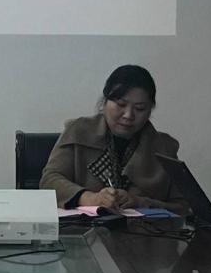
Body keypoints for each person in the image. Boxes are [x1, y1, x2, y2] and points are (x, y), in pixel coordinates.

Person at [40, 65, 187, 213]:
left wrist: (141, 202)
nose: (128, 115)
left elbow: (183, 207)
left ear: (150, 110)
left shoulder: (164, 147)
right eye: (121, 105)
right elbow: (49, 180)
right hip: (82, 226)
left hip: (145, 227)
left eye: (140, 108)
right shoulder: (78, 132)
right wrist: (89, 198)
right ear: (104, 102)